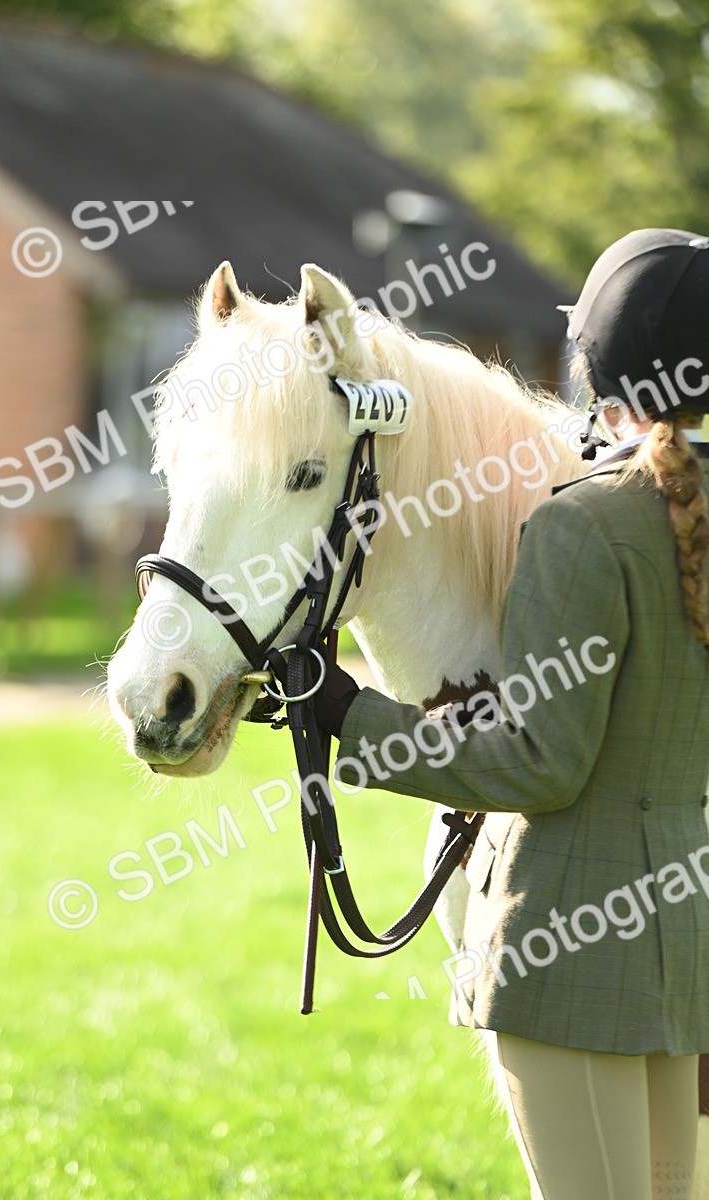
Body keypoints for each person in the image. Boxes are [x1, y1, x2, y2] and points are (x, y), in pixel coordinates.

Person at [313, 228, 709, 1200]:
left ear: (599, 367)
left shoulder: (581, 523)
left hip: (568, 951)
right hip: (682, 944)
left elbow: (543, 765)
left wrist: (350, 716)